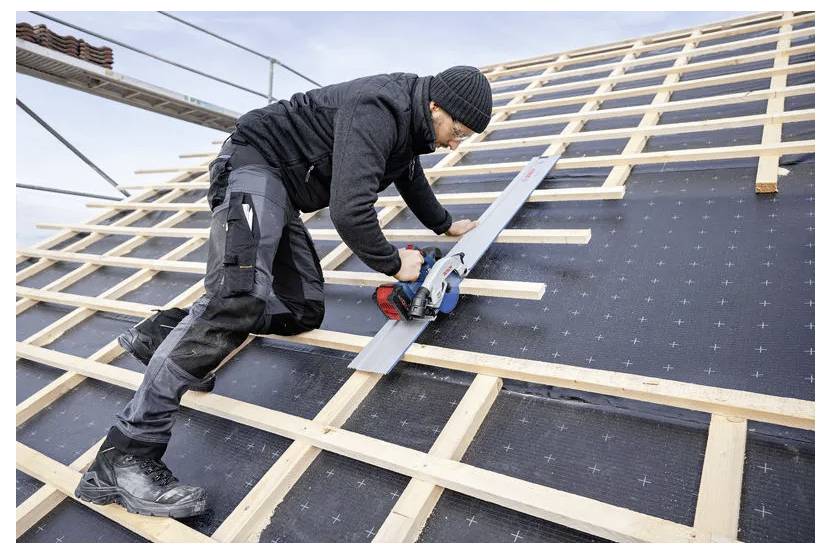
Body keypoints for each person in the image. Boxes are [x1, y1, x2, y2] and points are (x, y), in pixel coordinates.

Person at [74, 66, 492, 517]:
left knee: (302, 308)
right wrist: (394, 263)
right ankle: (124, 457)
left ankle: (164, 334)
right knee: (237, 297)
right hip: (252, 166)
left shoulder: (408, 124)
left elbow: (408, 174)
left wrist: (445, 224)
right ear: (435, 107)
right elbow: (350, 212)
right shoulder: (381, 107)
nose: (455, 143)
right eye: (458, 130)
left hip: (280, 192)